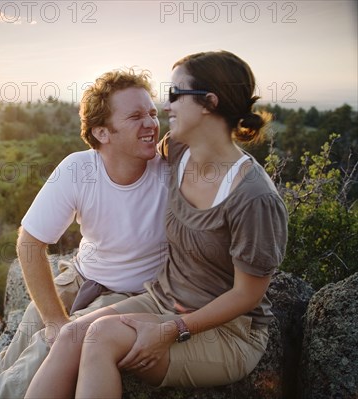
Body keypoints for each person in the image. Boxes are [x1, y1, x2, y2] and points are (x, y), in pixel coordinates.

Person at [25, 50, 289, 398]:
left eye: (176, 95)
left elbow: (247, 295)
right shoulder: (178, 151)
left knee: (101, 338)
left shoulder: (254, 197)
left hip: (227, 330)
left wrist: (171, 330)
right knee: (70, 336)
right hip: (162, 300)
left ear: (209, 103)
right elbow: (126, 157)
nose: (166, 108)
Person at [0, 69, 170, 398]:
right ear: (102, 133)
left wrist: (61, 330)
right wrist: (54, 319)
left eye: (152, 112)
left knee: (48, 348)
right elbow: (30, 242)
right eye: (136, 116)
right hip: (83, 276)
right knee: (30, 328)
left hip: (132, 293)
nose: (151, 123)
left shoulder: (170, 169)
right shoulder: (78, 169)